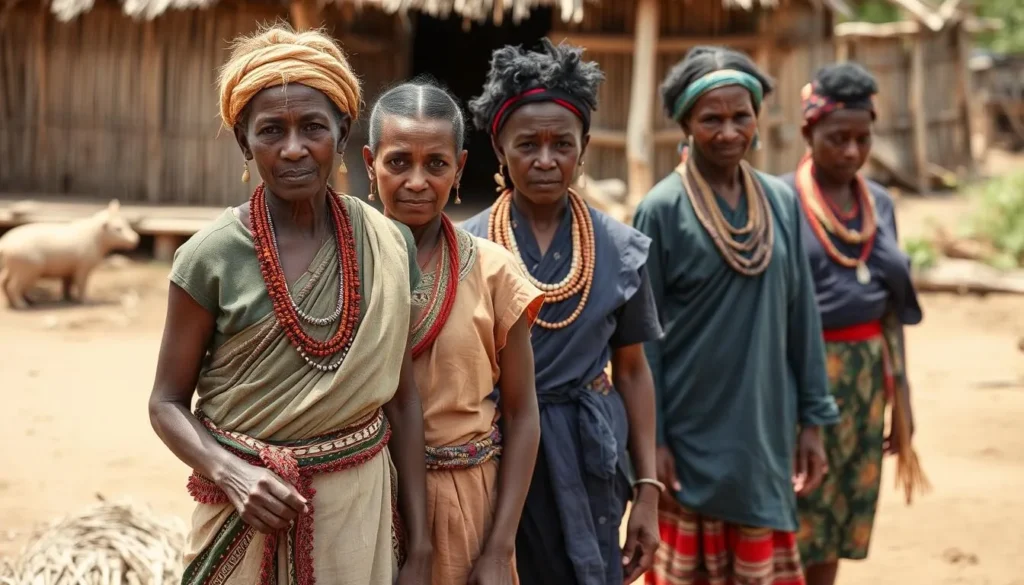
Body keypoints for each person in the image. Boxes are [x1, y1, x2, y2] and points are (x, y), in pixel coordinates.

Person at [147, 25, 432, 585]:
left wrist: (420, 546)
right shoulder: (209, 256)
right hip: (245, 511)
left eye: (313, 128)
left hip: (359, 514)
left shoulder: (388, 243)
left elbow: (402, 399)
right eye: (271, 130)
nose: (294, 147)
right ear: (242, 143)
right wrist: (231, 474)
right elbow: (166, 403)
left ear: (343, 132)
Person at [632, 46, 841, 585]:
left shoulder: (780, 201)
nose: (728, 131)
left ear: (758, 119)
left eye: (740, 116)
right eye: (711, 119)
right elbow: (642, 342)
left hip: (765, 428)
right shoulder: (661, 209)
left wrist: (814, 420)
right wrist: (653, 442)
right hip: (688, 433)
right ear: (685, 124)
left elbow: (802, 316)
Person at [462, 39, 664, 585]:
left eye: (562, 144)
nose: (546, 160)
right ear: (500, 149)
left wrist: (647, 489)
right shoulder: (466, 249)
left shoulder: (621, 250)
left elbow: (632, 371)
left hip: (593, 455)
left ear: (585, 147)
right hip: (497, 461)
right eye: (527, 144)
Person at [362, 78, 545, 584]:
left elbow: (521, 411)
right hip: (361, 497)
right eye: (398, 162)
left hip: (464, 500)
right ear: (368, 164)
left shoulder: (493, 271)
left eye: (436, 164)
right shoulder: (342, 267)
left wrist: (497, 547)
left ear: (460, 168)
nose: (417, 181)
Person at [779, 62, 925, 585]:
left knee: (842, 518)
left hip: (867, 384)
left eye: (862, 139)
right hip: (800, 381)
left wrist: (902, 401)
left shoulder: (880, 203)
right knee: (796, 517)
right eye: (837, 138)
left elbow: (891, 310)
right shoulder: (782, 201)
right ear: (807, 134)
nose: (851, 152)